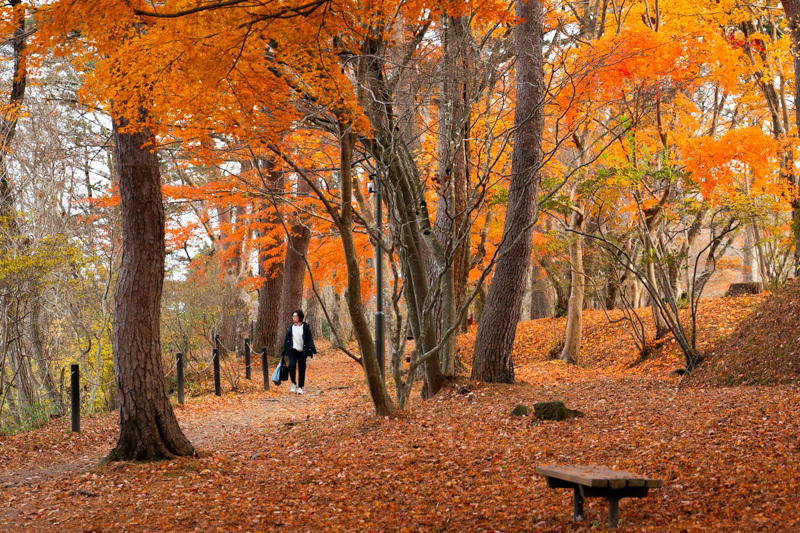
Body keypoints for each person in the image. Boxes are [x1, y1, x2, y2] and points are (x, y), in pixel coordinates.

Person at [282, 309, 317, 394]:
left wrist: (312, 349)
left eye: (296, 316)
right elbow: (287, 339)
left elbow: (309, 338)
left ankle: (300, 387)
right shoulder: (290, 327)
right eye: (293, 316)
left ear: (300, 317)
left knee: (302, 369)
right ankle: (294, 383)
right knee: (291, 366)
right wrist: (284, 350)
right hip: (293, 350)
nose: (294, 318)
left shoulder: (305, 327)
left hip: (302, 351)